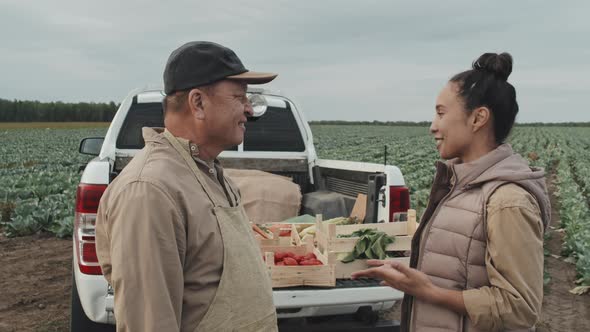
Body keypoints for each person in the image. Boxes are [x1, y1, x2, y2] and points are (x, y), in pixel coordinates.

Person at [352, 53, 551, 331]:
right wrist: (409, 270)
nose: (433, 126)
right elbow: (460, 268)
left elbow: (519, 309)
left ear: (478, 118)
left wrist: (429, 292)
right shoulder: (457, 186)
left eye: (441, 113)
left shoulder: (507, 202)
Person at [95, 41, 279, 332]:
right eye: (239, 97)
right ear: (198, 103)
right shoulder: (150, 191)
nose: (249, 109)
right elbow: (149, 323)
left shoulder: (211, 172)